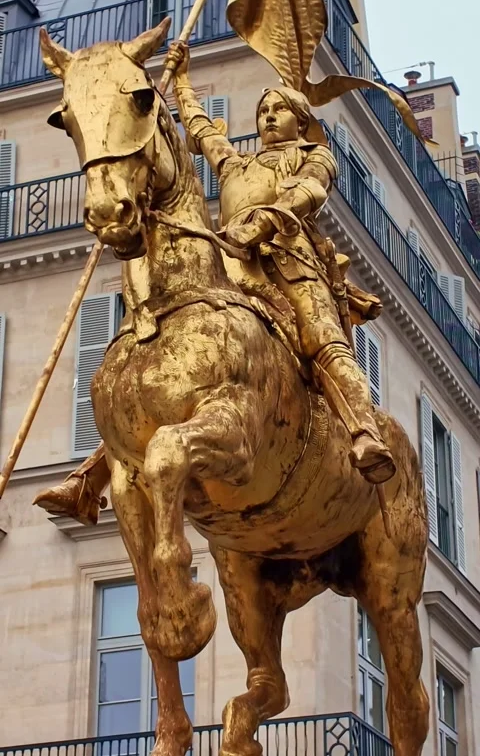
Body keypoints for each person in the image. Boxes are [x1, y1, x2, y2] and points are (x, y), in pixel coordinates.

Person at [34, 41, 394, 525]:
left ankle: (364, 433)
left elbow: (309, 193)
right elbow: (202, 131)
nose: (268, 117)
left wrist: (263, 221)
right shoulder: (238, 165)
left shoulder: (314, 155)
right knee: (167, 364)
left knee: (323, 338)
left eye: (279, 110)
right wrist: (182, 80)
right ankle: (92, 476)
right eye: (263, 111)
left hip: (290, 265)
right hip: (231, 269)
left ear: (301, 121)